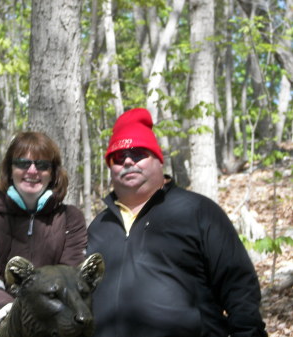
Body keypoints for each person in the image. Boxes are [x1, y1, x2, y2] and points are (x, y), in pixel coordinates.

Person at [87, 108, 267, 337]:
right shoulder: (98, 227)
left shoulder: (197, 211)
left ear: (158, 160)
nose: (128, 161)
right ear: (110, 166)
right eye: (119, 157)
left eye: (138, 153)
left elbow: (240, 289)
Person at [0, 131, 87, 337]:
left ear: (53, 173)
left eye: (42, 165)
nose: (32, 171)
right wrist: (10, 315)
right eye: (22, 163)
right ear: (9, 170)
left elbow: (70, 281)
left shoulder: (70, 219)